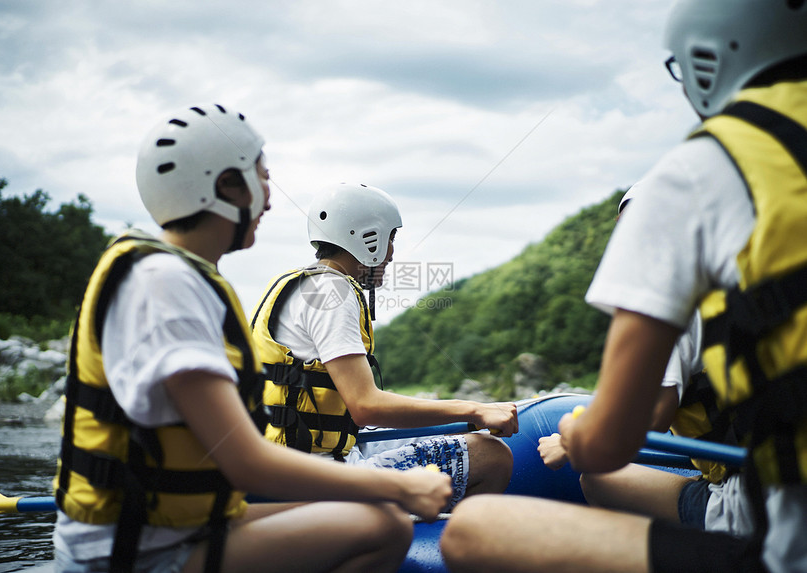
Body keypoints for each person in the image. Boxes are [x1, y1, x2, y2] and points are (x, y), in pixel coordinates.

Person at [442, 1, 807, 571]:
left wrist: (572, 431)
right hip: (747, 489)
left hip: (779, 534)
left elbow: (629, 427)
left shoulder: (700, 174)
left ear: (707, 59)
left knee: (472, 531)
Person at [52, 103, 452, 573]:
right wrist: (400, 488)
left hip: (189, 523)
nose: (269, 198)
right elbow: (245, 462)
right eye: (262, 178)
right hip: (138, 549)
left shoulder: (181, 276)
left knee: (374, 516)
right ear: (224, 186)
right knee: (385, 524)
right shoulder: (164, 285)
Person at [250, 182, 517, 509]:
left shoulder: (293, 283)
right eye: (390, 238)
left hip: (282, 462)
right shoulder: (334, 294)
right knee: (492, 455)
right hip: (315, 474)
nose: (391, 253)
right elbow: (365, 406)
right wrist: (473, 408)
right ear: (368, 238)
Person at [537, 184, 732, 529]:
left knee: (597, 479)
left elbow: (652, 414)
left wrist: (571, 441)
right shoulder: (746, 285)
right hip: (786, 479)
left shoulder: (669, 303)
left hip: (748, 501)